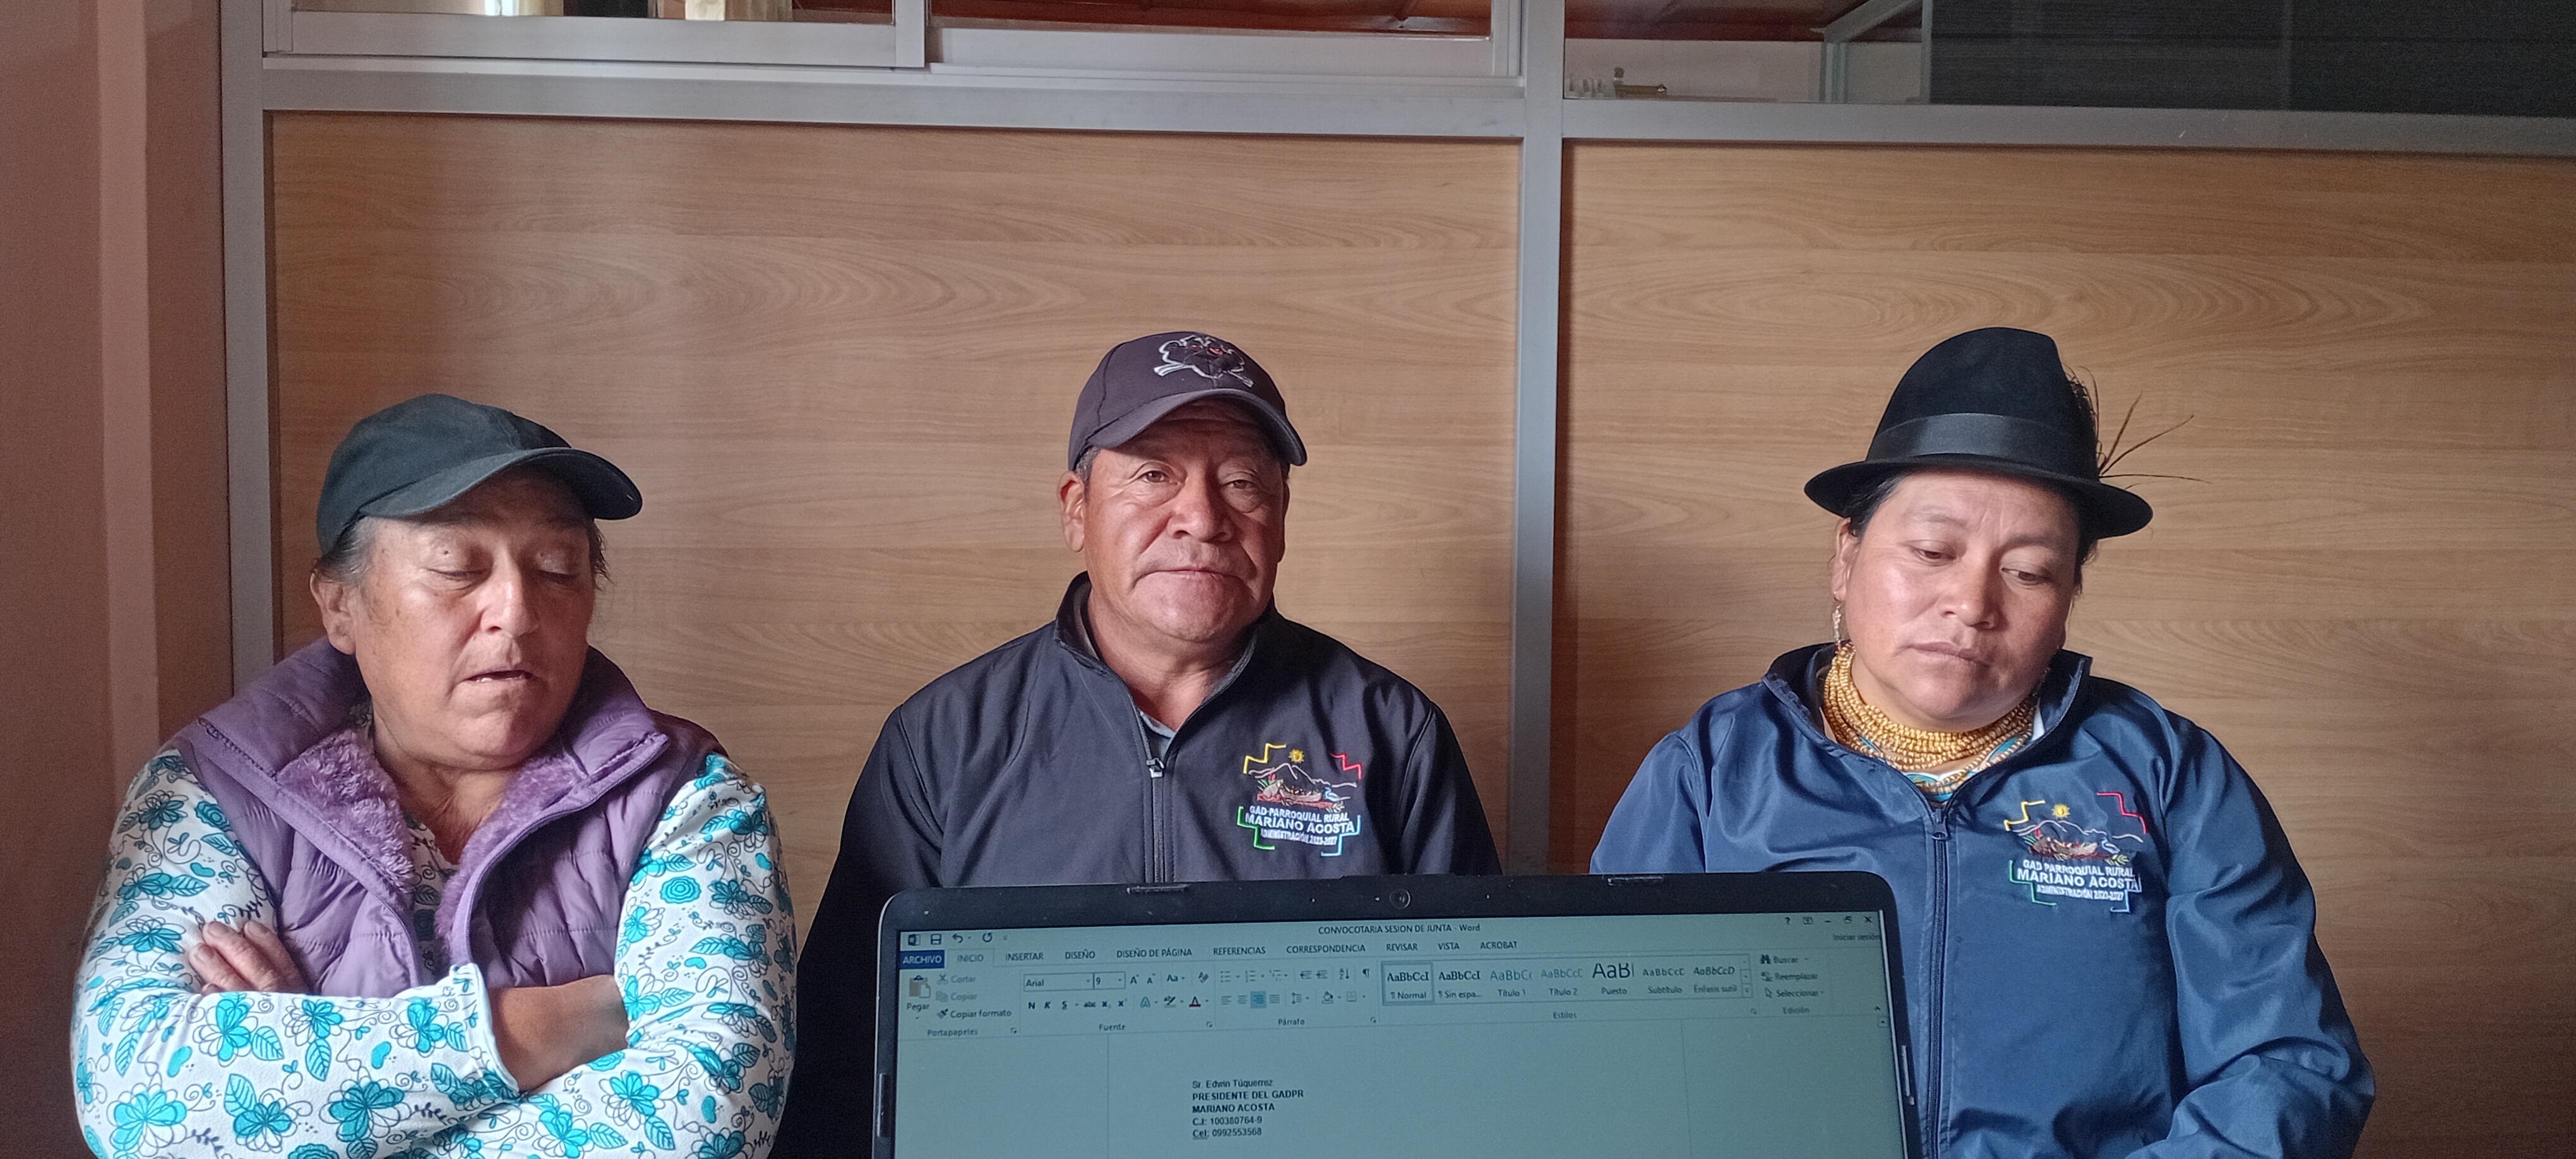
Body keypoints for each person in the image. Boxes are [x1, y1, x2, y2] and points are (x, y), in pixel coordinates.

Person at [1592, 328, 2372, 1158]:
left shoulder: (2171, 775)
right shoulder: (1713, 771)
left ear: (2068, 597)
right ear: (1846, 556)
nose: (1971, 603)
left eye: (2029, 571)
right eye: (1933, 552)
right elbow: (1611, 1052)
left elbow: (2289, 1066)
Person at [778, 331, 1500, 1154]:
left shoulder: (1392, 734)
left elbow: (1474, 1037)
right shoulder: (943, 741)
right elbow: (848, 1059)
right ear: (1076, 509)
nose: (1202, 518)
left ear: (1281, 518)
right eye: (1154, 474)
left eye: (1242, 481)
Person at [73, 395, 796, 1159]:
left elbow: (706, 1116)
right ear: (340, 604)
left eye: (558, 569)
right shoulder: (215, 791)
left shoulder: (690, 798)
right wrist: (553, 1026)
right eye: (456, 567)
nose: (516, 611)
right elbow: (138, 1100)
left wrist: (317, 1098)